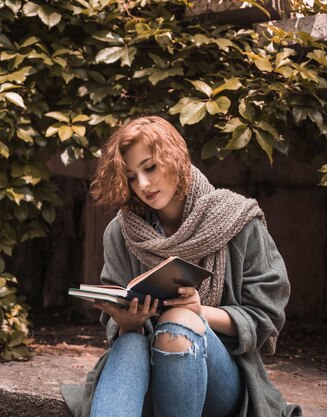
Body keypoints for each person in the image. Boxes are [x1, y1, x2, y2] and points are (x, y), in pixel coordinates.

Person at [61, 115, 301, 417]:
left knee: (178, 323)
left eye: (150, 167)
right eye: (132, 176)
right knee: (131, 344)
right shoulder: (121, 231)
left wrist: (198, 313)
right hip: (143, 371)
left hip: (219, 378)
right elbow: (117, 322)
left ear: (174, 158)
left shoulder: (238, 220)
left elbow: (266, 316)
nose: (143, 184)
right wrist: (127, 322)